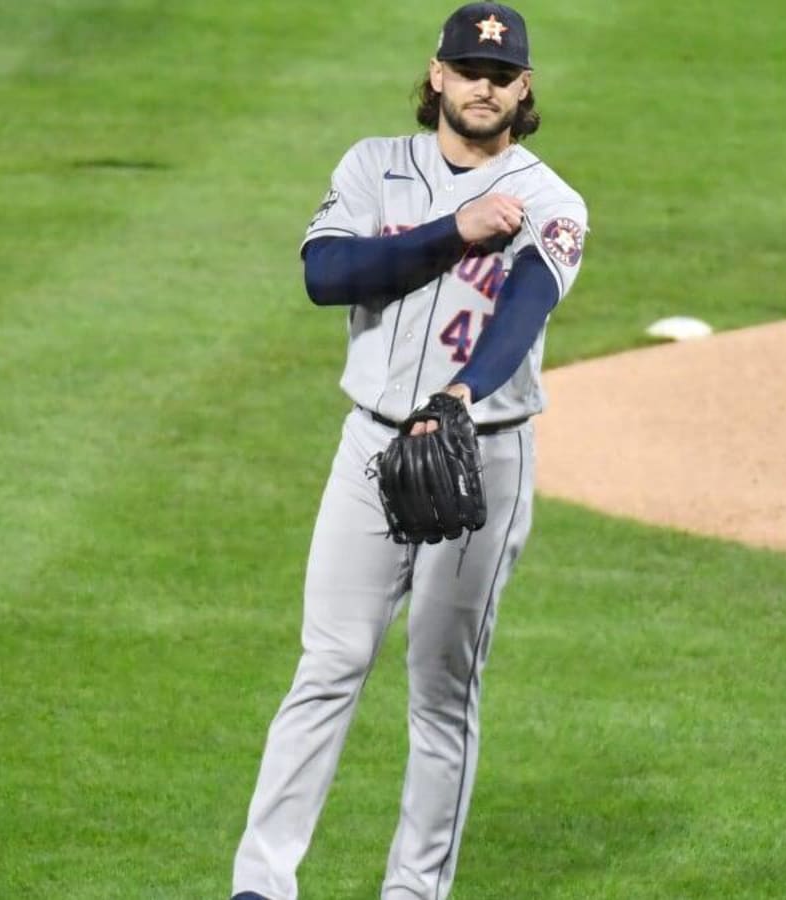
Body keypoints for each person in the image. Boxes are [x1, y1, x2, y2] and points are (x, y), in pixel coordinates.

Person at [229, 3, 588, 899]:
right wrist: (453, 235)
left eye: (502, 76)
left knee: (441, 688)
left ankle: (414, 891)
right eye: (469, 69)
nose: (484, 86)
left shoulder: (551, 202)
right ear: (436, 74)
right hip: (369, 449)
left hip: (480, 458)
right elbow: (327, 277)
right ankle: (261, 884)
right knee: (329, 664)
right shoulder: (372, 167)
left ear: (525, 89)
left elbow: (525, 310)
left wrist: (462, 395)